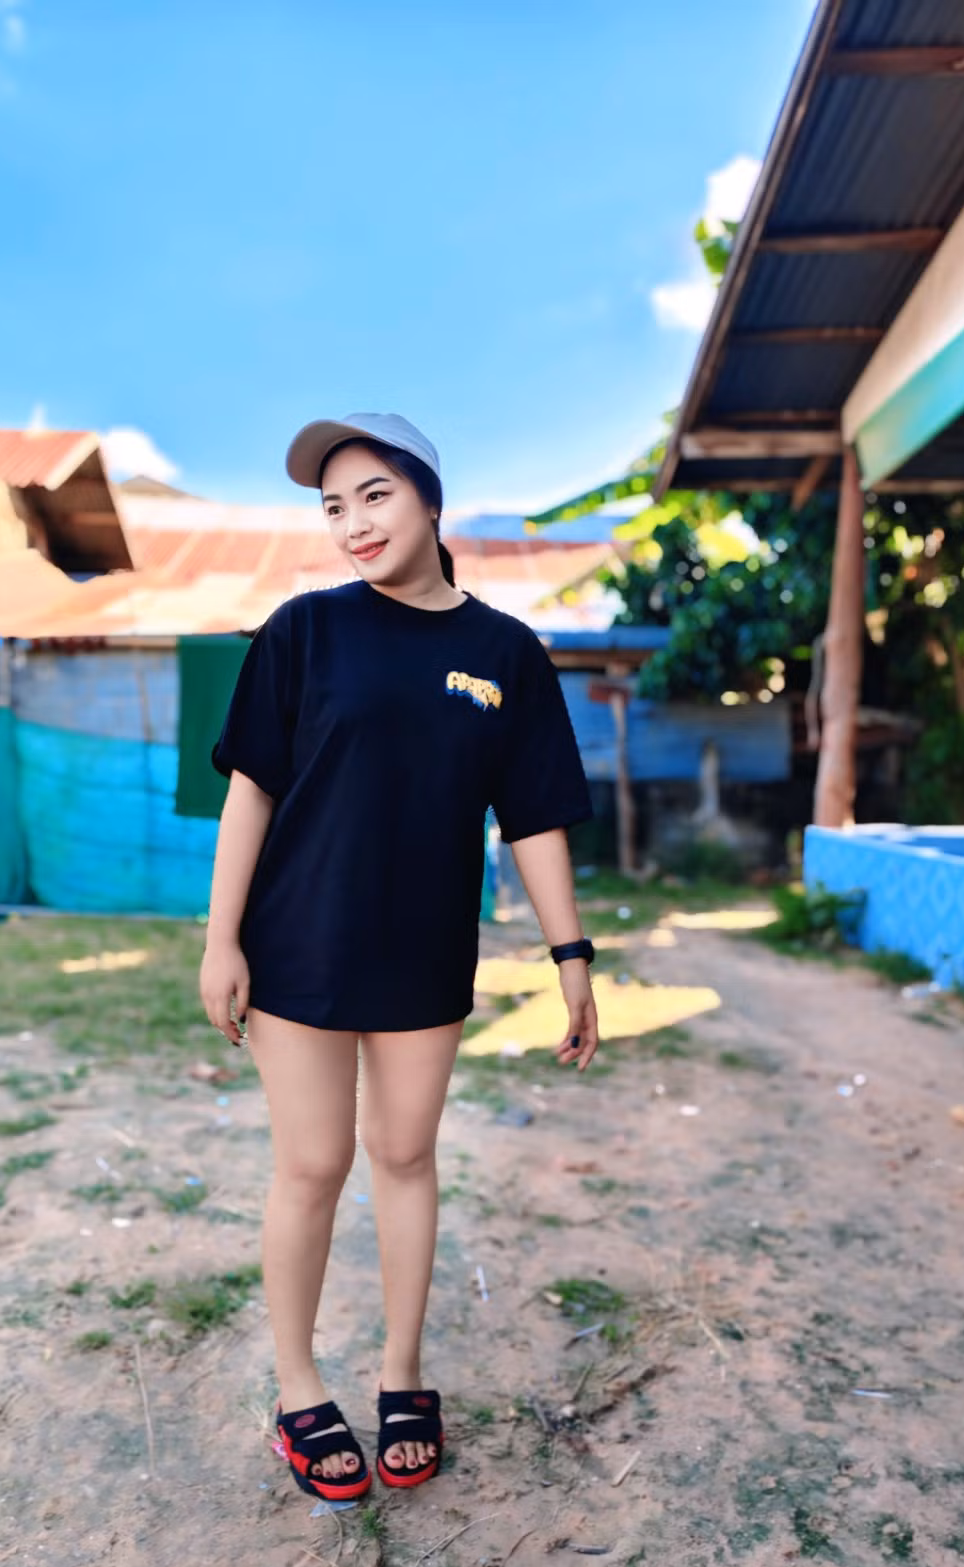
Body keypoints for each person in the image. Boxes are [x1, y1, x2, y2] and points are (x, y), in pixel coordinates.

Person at [201, 412, 598, 1501]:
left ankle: (402, 1372)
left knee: (407, 1156)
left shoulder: (504, 653)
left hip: (425, 950)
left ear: (428, 498)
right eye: (334, 507)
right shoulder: (304, 631)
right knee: (312, 1165)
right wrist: (221, 938)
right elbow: (251, 792)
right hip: (297, 943)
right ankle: (297, 1388)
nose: (354, 524)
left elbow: (534, 818)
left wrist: (570, 955)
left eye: (374, 495)